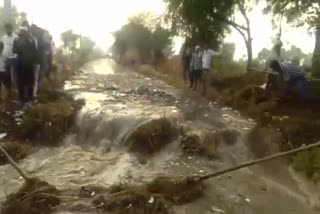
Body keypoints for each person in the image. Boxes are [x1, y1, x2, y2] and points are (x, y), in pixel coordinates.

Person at [13, 26, 37, 104]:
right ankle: (21, 98)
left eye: (23, 34)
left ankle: (30, 98)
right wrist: (20, 45)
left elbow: (35, 51)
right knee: (20, 81)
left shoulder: (31, 40)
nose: (22, 35)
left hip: (29, 64)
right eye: (21, 34)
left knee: (30, 81)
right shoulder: (16, 40)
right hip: (20, 64)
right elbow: (14, 50)